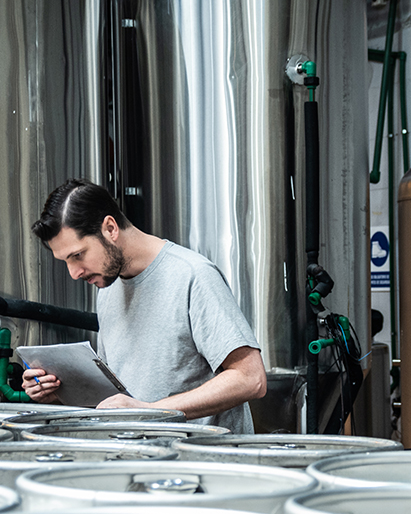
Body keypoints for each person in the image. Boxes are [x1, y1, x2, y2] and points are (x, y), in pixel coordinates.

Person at [21, 178, 266, 433]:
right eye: (65, 261)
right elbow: (119, 399)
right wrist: (57, 391)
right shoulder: (108, 287)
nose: (73, 273)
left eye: (78, 255)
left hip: (199, 464)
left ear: (110, 228)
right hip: (140, 460)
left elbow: (250, 379)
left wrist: (150, 412)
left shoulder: (192, 275)